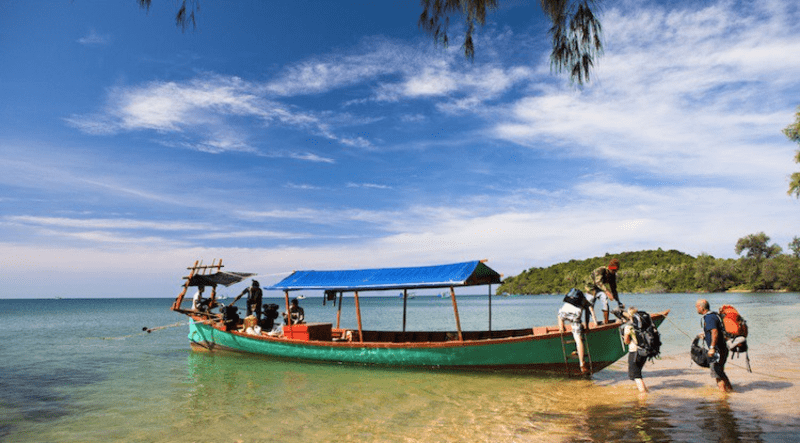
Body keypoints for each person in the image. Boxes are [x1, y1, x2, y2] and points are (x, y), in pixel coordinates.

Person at [696, 299, 733, 393]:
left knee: (717, 373)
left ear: (702, 307)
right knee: (720, 371)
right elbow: (715, 331)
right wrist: (705, 335)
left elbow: (714, 332)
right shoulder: (714, 315)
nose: (696, 309)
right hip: (722, 348)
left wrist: (712, 348)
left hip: (717, 350)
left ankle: (723, 397)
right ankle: (730, 391)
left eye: (697, 307)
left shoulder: (709, 317)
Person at [557, 289, 598, 374]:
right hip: (576, 315)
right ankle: (582, 362)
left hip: (564, 313)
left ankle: (561, 328)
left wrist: (562, 326)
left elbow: (560, 315)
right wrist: (586, 326)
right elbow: (587, 314)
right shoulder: (585, 301)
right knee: (578, 339)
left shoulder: (568, 300)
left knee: (560, 317)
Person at [585, 258, 623, 324]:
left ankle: (606, 321)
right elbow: (598, 282)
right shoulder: (601, 270)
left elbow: (614, 289)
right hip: (590, 289)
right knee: (590, 306)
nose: (614, 272)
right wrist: (607, 292)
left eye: (615, 271)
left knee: (605, 300)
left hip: (599, 289)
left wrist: (618, 301)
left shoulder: (612, 275)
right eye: (613, 270)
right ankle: (589, 323)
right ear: (610, 268)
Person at [622, 307, 648, 393]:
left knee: (636, 376)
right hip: (644, 352)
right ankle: (645, 391)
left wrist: (625, 337)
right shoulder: (643, 324)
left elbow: (627, 341)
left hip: (634, 352)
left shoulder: (629, 327)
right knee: (638, 373)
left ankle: (643, 395)